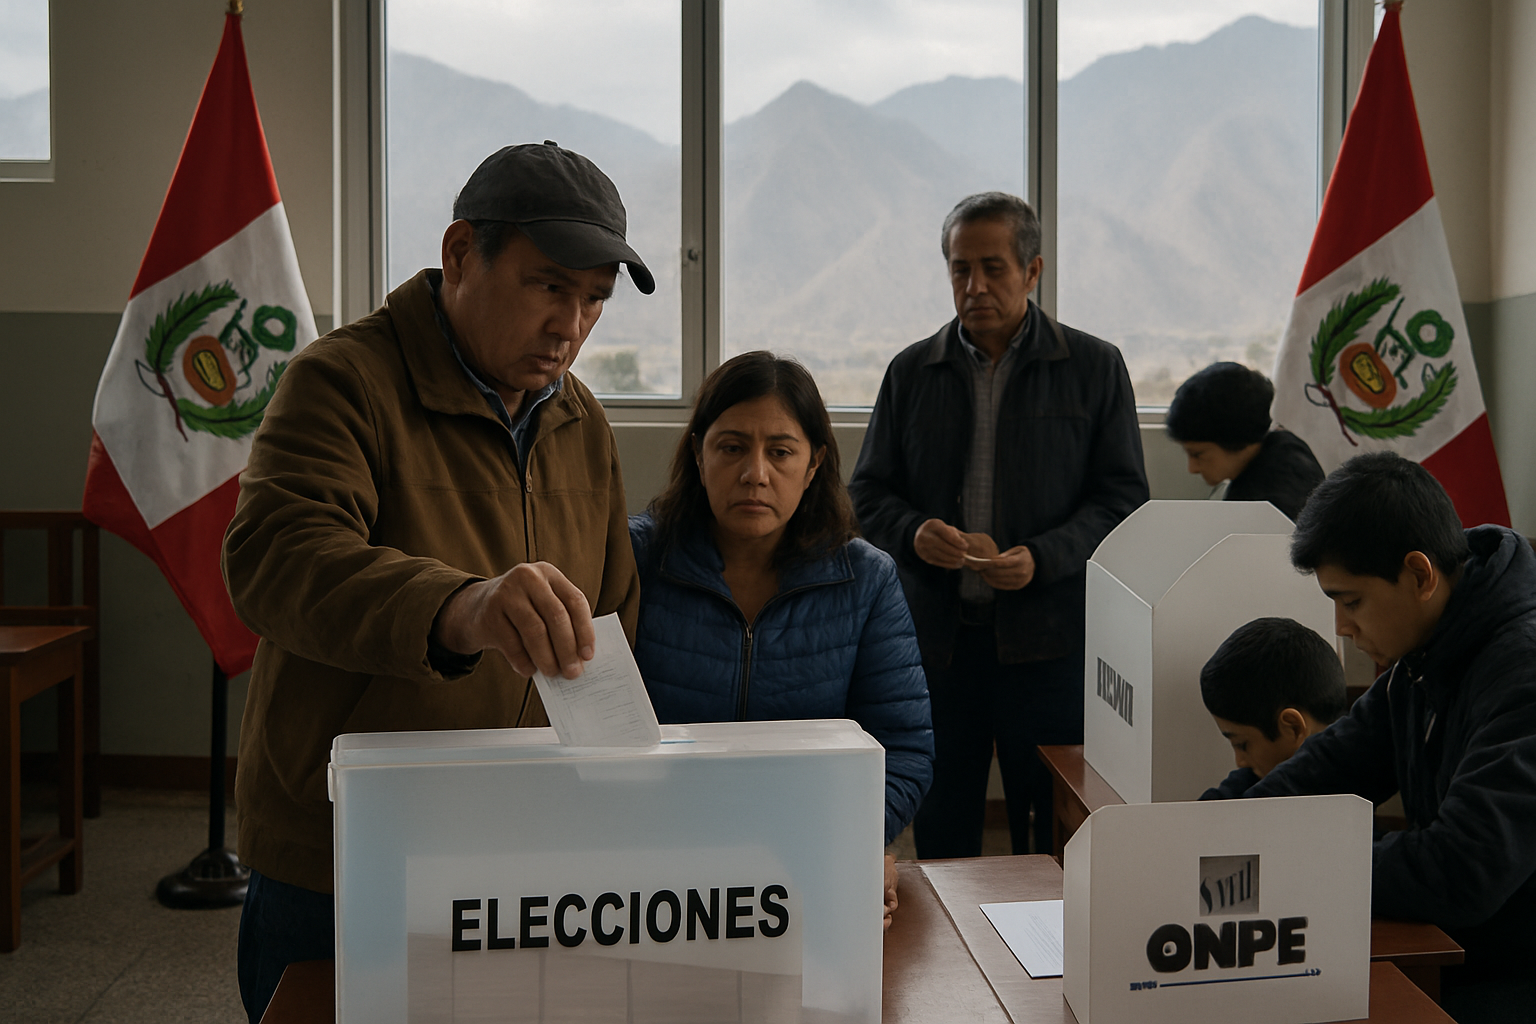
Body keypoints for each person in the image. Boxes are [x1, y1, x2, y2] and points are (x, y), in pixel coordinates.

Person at [222, 142, 654, 1023]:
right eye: (547, 286)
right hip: (343, 850)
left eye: (594, 299)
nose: (571, 325)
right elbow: (276, 556)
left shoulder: (582, 421)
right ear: (461, 254)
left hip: (514, 847)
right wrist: (462, 607)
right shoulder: (342, 382)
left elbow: (611, 616)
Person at [849, 192, 1148, 859]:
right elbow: (867, 489)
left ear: (1033, 270)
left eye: (993, 267)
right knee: (943, 820)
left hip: (1047, 645)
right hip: (935, 648)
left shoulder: (1094, 369)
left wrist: (1041, 557)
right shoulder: (911, 371)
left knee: (1047, 829)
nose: (974, 286)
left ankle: (1049, 958)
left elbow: (1123, 497)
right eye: (960, 269)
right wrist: (912, 532)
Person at [1207, 452, 1536, 1020]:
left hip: (1511, 974)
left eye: (1351, 601)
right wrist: (1210, 832)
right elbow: (1332, 766)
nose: (1340, 626)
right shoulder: (1425, 652)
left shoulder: (1522, 670)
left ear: (1419, 574)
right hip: (1464, 951)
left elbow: (1462, 870)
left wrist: (1285, 859)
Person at [629, 351, 933, 929]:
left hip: (807, 864)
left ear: (815, 462)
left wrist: (852, 844)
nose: (755, 473)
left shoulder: (865, 579)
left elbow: (905, 748)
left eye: (781, 451)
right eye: (732, 447)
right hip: (655, 871)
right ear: (698, 453)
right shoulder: (637, 560)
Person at [1196, 616, 1348, 800]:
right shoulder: (1252, 778)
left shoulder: (1348, 801)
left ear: (1293, 727)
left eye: (1242, 745)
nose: (1240, 762)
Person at [1165, 361, 1324, 520]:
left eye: (1198, 454)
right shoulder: (1286, 447)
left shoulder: (1265, 505)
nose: (1192, 468)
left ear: (1236, 441)